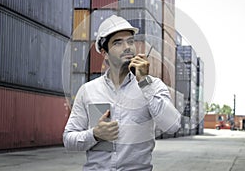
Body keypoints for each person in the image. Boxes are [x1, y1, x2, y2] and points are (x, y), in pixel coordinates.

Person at [63, 15, 181, 171]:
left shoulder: (153, 86)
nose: (127, 47)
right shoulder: (88, 91)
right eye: (118, 43)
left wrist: (144, 83)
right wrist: (95, 134)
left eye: (130, 41)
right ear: (104, 52)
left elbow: (172, 126)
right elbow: (69, 140)